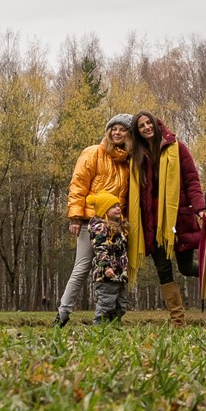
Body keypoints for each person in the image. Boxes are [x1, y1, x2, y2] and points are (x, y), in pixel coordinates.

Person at [127, 111, 206, 328]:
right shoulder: (135, 155)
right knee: (163, 271)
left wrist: (200, 210)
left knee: (186, 268)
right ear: (137, 132)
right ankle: (178, 322)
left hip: (178, 219)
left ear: (157, 125)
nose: (147, 127)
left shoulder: (177, 148)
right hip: (152, 223)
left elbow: (192, 180)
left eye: (149, 123)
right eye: (141, 126)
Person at [58, 114, 134, 327]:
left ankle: (109, 316)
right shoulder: (93, 153)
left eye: (122, 129)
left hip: (115, 225)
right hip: (90, 222)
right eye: (114, 128)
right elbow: (78, 184)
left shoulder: (127, 162)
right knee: (82, 267)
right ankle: (63, 313)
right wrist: (75, 216)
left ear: (129, 134)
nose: (117, 133)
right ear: (108, 131)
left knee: (115, 268)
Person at [85, 193, 131, 324]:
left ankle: (114, 329)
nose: (118, 208)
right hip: (106, 275)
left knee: (121, 305)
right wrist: (106, 266)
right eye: (113, 207)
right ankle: (100, 329)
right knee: (106, 304)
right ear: (104, 210)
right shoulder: (100, 228)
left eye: (118, 205)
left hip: (119, 274)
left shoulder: (119, 227)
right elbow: (100, 249)